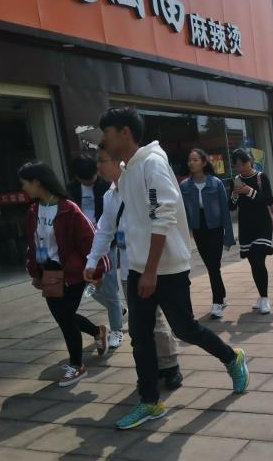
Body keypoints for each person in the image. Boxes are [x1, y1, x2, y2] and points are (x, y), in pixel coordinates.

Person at [98, 106, 249, 430]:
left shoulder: (152, 164)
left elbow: (162, 217)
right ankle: (150, 401)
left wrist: (151, 271)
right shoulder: (128, 170)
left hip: (165, 268)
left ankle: (231, 357)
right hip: (139, 267)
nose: (104, 140)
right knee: (140, 336)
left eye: (107, 133)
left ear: (125, 132)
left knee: (184, 329)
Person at [85, 144, 182, 391]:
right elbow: (104, 230)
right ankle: (151, 372)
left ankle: (170, 365)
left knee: (162, 321)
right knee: (140, 326)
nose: (98, 167)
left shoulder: (140, 185)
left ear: (117, 161)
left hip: (154, 266)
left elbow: (162, 219)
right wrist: (92, 260)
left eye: (102, 161)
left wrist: (152, 269)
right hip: (129, 269)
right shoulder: (109, 196)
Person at [21, 162, 109, 387]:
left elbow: (89, 239)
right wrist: (35, 272)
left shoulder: (68, 209)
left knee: (66, 318)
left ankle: (77, 365)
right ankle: (97, 331)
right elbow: (33, 244)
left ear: (37, 182)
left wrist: (97, 270)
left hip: (72, 273)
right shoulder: (33, 211)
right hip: (49, 271)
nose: (24, 188)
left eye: (25, 183)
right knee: (63, 317)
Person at [68, 154, 124, 349]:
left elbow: (111, 219)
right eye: (84, 180)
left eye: (91, 178)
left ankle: (116, 329)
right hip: (83, 245)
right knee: (89, 287)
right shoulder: (71, 190)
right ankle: (117, 308)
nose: (89, 182)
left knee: (109, 287)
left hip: (106, 242)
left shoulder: (107, 187)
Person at [181, 148, 235, 318]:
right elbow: (183, 212)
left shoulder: (215, 183)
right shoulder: (185, 185)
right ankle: (222, 295)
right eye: (190, 160)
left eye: (195, 160)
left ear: (204, 163)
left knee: (213, 265)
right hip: (199, 227)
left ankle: (217, 302)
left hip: (215, 227)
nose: (191, 163)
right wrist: (186, 231)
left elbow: (225, 211)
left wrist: (228, 237)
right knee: (212, 266)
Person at [228, 149, 273, 315]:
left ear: (250, 161)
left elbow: (269, 200)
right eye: (238, 165)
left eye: (244, 163)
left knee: (259, 259)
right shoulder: (235, 181)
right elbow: (231, 206)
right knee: (253, 263)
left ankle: (265, 298)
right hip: (246, 226)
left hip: (262, 225)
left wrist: (250, 192)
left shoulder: (261, 177)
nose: (242, 168)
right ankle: (261, 295)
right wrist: (235, 194)